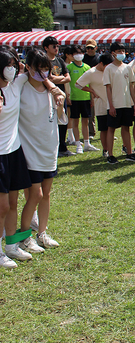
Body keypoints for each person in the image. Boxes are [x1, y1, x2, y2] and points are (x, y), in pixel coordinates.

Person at [0, 48, 62, 266]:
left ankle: (25, 240)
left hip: (31, 149)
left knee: (29, 199)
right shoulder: (17, 84)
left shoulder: (29, 83)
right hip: (15, 152)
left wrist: (55, 89)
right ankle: (12, 243)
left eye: (13, 64)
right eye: (7, 65)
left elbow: (45, 77)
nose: (11, 69)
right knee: (15, 202)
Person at [15, 48, 66, 253]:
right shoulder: (21, 84)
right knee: (34, 195)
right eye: (39, 69)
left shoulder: (51, 90)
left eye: (46, 69)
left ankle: (42, 232)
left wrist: (57, 95)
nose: (43, 73)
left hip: (49, 147)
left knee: (46, 194)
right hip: (29, 148)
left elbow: (60, 117)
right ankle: (23, 236)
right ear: (28, 68)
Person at [103, 42, 135, 164]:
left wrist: (134, 103)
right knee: (111, 129)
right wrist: (111, 105)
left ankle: (129, 153)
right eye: (119, 51)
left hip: (126, 104)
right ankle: (110, 154)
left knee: (126, 128)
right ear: (113, 53)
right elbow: (108, 88)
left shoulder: (127, 68)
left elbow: (131, 87)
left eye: (122, 51)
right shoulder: (108, 68)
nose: (121, 53)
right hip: (114, 104)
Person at [76, 53, 113, 158]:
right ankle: (105, 150)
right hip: (101, 104)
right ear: (101, 64)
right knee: (103, 128)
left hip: (112, 103)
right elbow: (78, 84)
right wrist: (91, 91)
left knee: (112, 128)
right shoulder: (91, 72)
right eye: (107, 66)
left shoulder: (110, 70)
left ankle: (111, 150)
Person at [42, 36, 72, 157]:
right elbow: (48, 78)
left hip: (61, 95)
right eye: (54, 46)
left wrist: (57, 79)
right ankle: (52, 147)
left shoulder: (59, 61)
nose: (56, 48)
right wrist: (61, 78)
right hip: (49, 95)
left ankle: (62, 147)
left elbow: (68, 78)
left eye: (58, 46)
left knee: (63, 120)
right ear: (46, 47)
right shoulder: (44, 61)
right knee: (51, 121)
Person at [66, 45, 99, 153]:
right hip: (74, 98)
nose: (78, 55)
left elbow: (90, 84)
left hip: (85, 98)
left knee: (85, 121)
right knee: (75, 122)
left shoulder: (87, 67)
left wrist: (92, 98)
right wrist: (68, 96)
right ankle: (77, 144)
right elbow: (67, 83)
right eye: (75, 53)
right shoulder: (69, 68)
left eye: (80, 53)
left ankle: (86, 143)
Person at [82, 39, 100, 137]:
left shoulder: (99, 58)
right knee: (91, 111)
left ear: (96, 48)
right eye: (88, 48)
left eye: (91, 48)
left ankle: (106, 129)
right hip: (88, 87)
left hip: (100, 86)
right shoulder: (83, 59)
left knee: (103, 109)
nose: (89, 50)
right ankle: (91, 132)